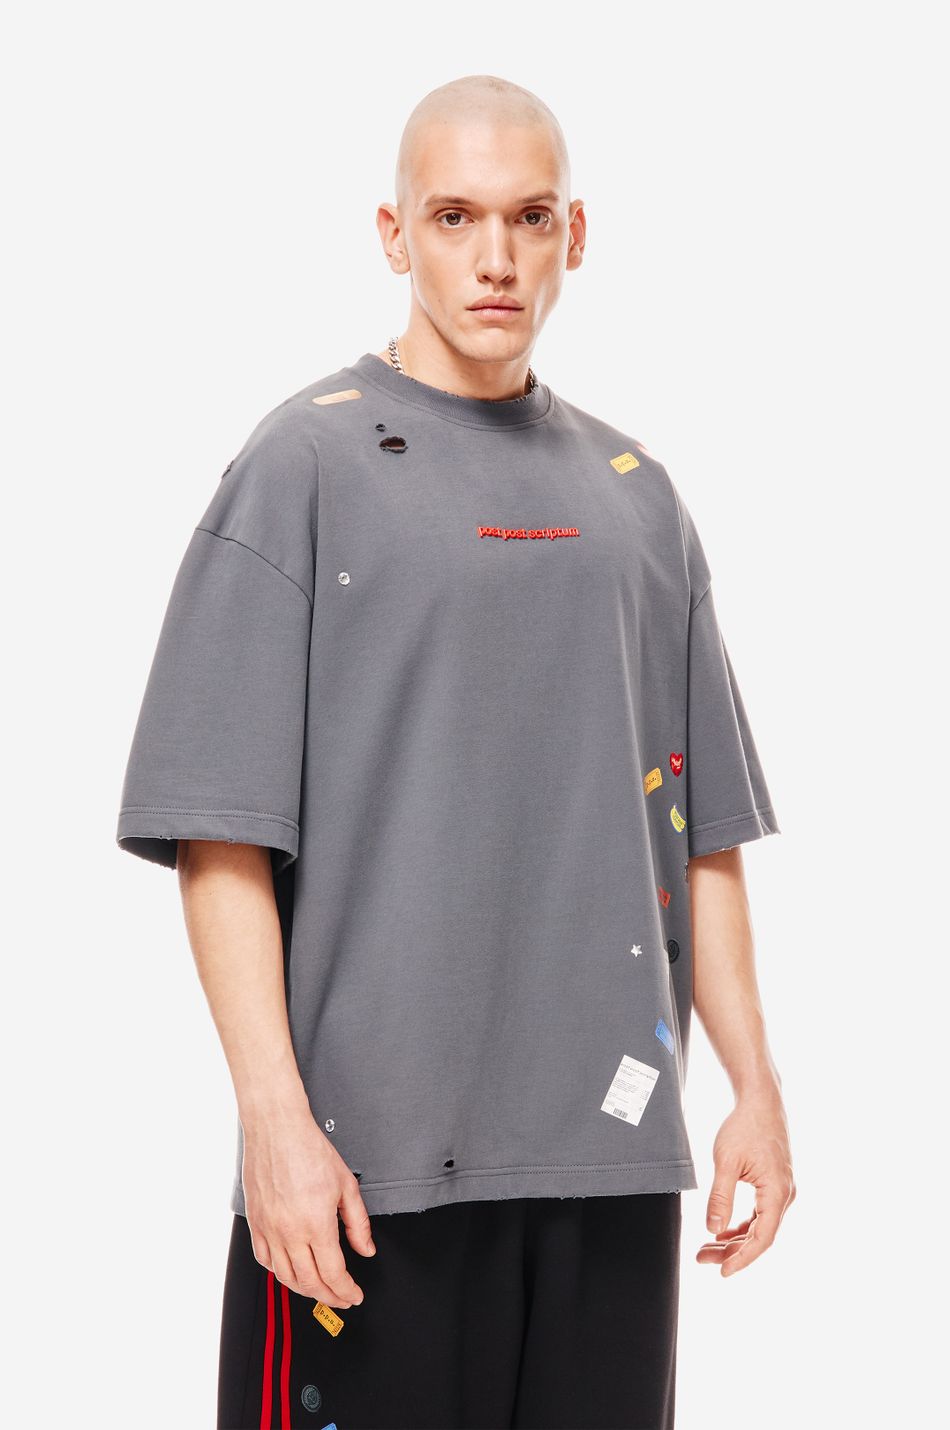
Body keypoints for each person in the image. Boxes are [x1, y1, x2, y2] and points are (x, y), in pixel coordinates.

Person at [116, 72, 795, 1430]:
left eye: (530, 217)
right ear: (394, 235)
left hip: (607, 1158)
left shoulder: (637, 498)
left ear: (574, 234)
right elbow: (219, 832)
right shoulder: (302, 465)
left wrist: (754, 1088)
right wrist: (273, 1122)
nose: (495, 258)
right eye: (454, 216)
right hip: (365, 1171)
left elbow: (699, 832)